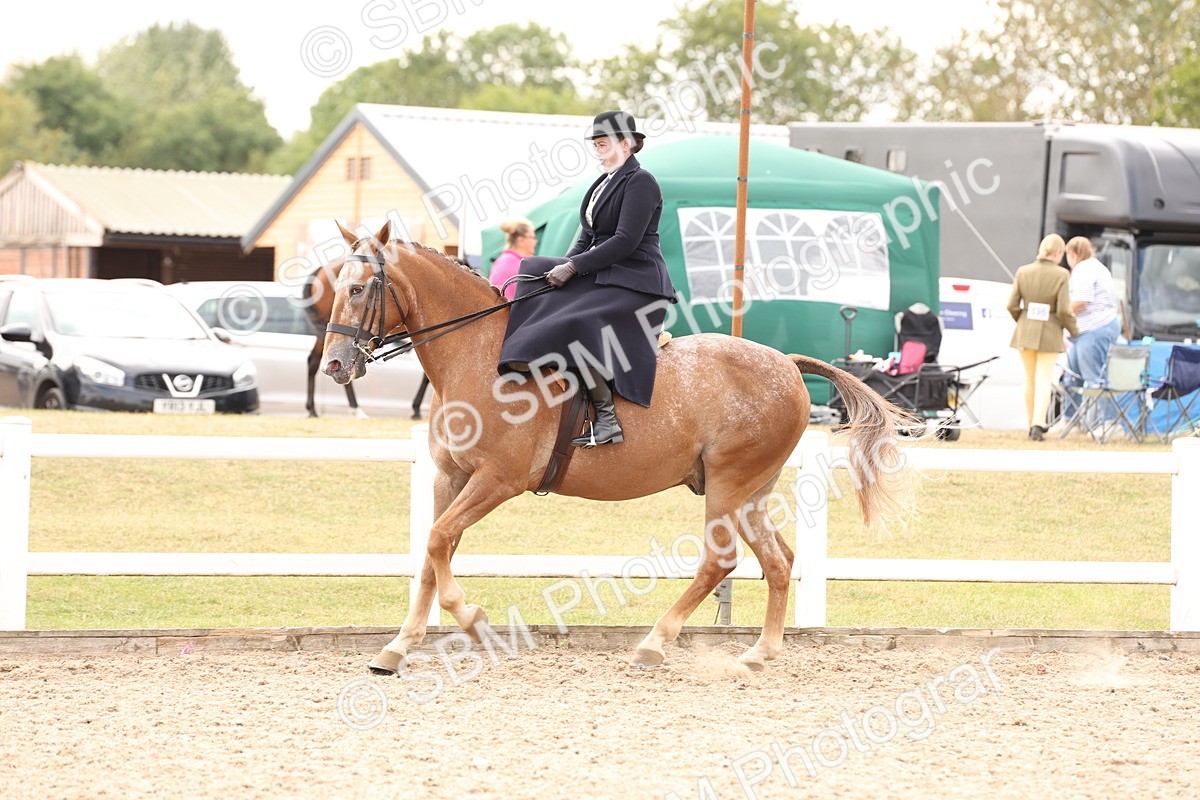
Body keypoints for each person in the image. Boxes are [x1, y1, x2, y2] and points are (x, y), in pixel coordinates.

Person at [498, 110, 677, 447]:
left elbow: (625, 240)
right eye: (595, 144)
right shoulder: (600, 184)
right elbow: (585, 238)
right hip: (605, 273)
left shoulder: (641, 182)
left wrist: (575, 268)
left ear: (626, 143)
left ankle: (607, 419)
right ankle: (524, 354)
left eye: (604, 143)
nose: (598, 149)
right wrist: (562, 266)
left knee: (581, 320)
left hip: (637, 280)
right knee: (533, 267)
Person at [1007, 233, 1079, 440]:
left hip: (1025, 331)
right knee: (1044, 379)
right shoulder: (1062, 275)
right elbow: (1065, 311)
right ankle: (1039, 423)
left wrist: (1023, 321)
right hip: (1049, 332)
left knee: (1029, 379)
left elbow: (1011, 305)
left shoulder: (1023, 271)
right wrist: (1074, 331)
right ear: (1057, 253)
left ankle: (1030, 423)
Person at [1059, 236, 1121, 432]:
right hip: (1091, 330)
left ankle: (1109, 423)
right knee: (1072, 375)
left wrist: (1059, 314)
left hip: (1094, 330)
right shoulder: (1098, 267)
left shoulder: (1084, 269)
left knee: (1095, 377)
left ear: (1073, 254)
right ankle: (1070, 420)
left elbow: (1081, 301)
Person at [489, 218, 537, 300]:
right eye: (532, 237)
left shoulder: (516, 261)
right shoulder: (508, 263)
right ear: (521, 240)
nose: (535, 241)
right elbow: (504, 301)